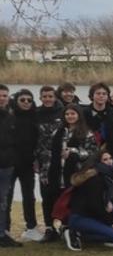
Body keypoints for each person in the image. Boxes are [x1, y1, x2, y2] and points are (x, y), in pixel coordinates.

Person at [64, 151, 113, 251]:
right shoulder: (94, 178)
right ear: (97, 162)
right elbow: (94, 205)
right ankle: (75, 232)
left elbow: (107, 198)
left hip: (95, 213)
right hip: (82, 216)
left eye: (110, 158)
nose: (109, 161)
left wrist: (108, 201)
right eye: (105, 159)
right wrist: (111, 223)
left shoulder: (109, 176)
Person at [6, 89, 41, 242]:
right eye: (23, 100)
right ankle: (4, 228)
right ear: (16, 101)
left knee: (29, 196)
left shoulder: (35, 117)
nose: (26, 102)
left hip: (28, 164)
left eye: (29, 100)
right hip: (9, 163)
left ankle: (31, 227)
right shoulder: (9, 116)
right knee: (6, 196)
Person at [46, 105, 99, 204]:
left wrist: (74, 151)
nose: (70, 116)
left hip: (76, 174)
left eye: (73, 114)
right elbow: (49, 151)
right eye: (67, 114)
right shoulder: (57, 132)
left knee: (73, 203)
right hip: (56, 174)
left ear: (79, 115)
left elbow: (93, 153)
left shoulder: (87, 133)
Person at [35, 85, 63, 241]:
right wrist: (35, 159)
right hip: (44, 161)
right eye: (44, 96)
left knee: (62, 192)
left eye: (50, 96)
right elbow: (32, 138)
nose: (47, 99)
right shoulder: (36, 114)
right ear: (40, 98)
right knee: (46, 195)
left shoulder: (62, 112)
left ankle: (65, 225)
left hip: (61, 160)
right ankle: (49, 228)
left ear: (55, 97)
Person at [0, 85, 20, 247]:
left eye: (5, 96)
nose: (2, 98)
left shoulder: (11, 117)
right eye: (0, 95)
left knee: (3, 200)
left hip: (6, 165)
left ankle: (1, 234)